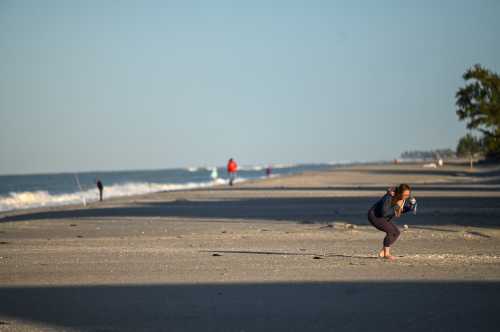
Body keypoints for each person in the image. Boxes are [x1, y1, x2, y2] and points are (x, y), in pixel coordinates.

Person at [367, 184, 417, 260]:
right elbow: (384, 212)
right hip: (375, 216)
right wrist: (397, 208)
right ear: (400, 192)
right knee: (391, 231)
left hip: (384, 217)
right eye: (405, 195)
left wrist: (410, 207)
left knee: (396, 232)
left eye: (408, 195)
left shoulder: (400, 198)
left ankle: (384, 251)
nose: (407, 197)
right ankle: (386, 254)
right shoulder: (389, 197)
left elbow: (398, 210)